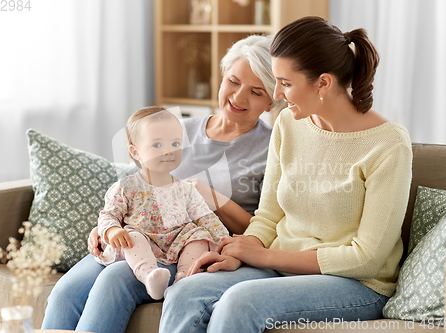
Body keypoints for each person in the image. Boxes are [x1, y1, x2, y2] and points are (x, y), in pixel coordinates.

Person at [159, 16, 413, 333]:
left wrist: (263, 256)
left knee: (242, 301)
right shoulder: (289, 124)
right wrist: (243, 250)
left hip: (355, 284)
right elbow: (268, 214)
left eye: (286, 83)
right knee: (185, 291)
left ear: (323, 83)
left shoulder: (388, 145)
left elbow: (367, 258)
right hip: (281, 263)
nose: (277, 94)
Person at [41, 34, 285, 333]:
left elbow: (269, 230)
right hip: (139, 239)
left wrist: (212, 198)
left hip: (191, 247)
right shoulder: (178, 128)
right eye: (233, 81)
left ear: (272, 100)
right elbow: (132, 191)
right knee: (65, 294)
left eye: (256, 91)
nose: (238, 97)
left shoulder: (273, 147)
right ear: (222, 77)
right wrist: (106, 227)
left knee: (116, 278)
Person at [94, 107, 229, 300]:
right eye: (157, 145)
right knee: (132, 236)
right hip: (143, 241)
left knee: (199, 236)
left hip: (176, 242)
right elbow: (109, 214)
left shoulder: (186, 189)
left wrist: (224, 240)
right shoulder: (126, 187)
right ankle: (149, 275)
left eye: (175, 143)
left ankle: (184, 276)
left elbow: (206, 217)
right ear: (136, 152)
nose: (168, 151)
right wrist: (112, 230)